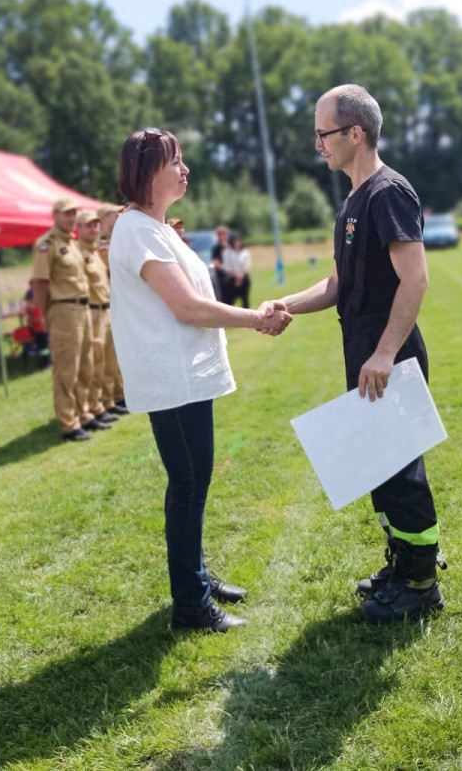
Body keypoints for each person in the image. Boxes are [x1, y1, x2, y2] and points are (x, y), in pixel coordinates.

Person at [260, 83, 445, 624]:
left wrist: (386, 354)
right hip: (362, 347)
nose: (317, 143)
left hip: (388, 352)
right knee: (378, 466)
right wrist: (283, 305)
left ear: (354, 133)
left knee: (401, 470)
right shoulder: (352, 201)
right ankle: (400, 564)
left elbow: (416, 280)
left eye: (323, 133)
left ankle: (420, 583)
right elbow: (338, 283)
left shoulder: (389, 193)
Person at [109, 127, 290, 633]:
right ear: (147, 173)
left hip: (185, 377)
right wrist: (256, 318)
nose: (185, 169)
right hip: (172, 378)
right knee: (187, 485)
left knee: (194, 483)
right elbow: (186, 306)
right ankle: (190, 605)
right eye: (175, 162)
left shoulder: (156, 227)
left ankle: (197, 578)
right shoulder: (137, 230)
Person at [32, 197, 108, 442]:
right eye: (66, 213)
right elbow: (41, 284)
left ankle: (84, 413)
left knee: (86, 364)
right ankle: (68, 422)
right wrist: (45, 315)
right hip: (63, 310)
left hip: (84, 308)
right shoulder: (47, 244)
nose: (71, 217)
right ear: (54, 215)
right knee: (67, 369)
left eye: (73, 213)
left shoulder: (73, 243)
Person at [76, 209, 121, 427]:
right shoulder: (79, 253)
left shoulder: (94, 251)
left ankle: (107, 402)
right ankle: (93, 408)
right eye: (88, 225)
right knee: (94, 362)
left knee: (108, 361)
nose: (94, 228)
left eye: (96, 225)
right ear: (79, 228)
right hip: (91, 311)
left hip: (105, 309)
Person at [97, 203, 128, 414]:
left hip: (117, 305)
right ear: (103, 219)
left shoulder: (116, 241)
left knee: (118, 355)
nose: (120, 217)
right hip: (103, 305)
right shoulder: (101, 247)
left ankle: (119, 395)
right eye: (115, 214)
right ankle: (109, 399)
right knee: (105, 357)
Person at [222, 232, 252, 308]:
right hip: (232, 279)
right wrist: (236, 277)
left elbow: (246, 266)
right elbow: (227, 267)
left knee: (245, 299)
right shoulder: (227, 253)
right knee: (230, 300)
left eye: (238, 240)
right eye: (235, 241)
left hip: (243, 278)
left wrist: (240, 277)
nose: (237, 243)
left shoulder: (245, 253)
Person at [212, 225, 230, 303]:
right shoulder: (216, 248)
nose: (223, 237)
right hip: (221, 276)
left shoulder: (230, 247)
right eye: (220, 234)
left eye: (224, 234)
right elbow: (216, 262)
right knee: (223, 297)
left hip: (232, 275)